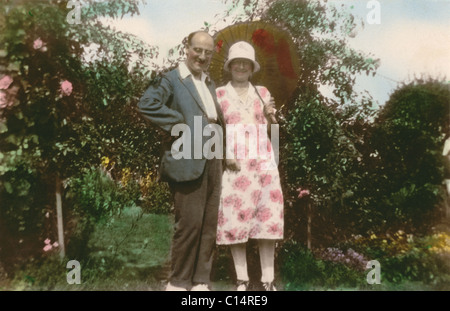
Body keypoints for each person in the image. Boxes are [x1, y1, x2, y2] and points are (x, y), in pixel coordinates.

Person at [137, 31, 226, 291]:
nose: (202, 56)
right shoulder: (171, 79)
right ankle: (177, 283)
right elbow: (147, 104)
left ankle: (200, 282)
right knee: (189, 224)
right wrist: (179, 123)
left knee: (209, 224)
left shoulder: (209, 83)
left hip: (213, 155)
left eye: (208, 52)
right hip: (187, 156)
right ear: (186, 48)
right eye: (197, 50)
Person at [215, 41, 284, 291]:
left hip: (263, 162)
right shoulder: (219, 94)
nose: (241, 66)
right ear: (230, 66)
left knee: (267, 219)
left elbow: (271, 131)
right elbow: (214, 130)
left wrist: (271, 116)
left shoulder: (262, 93)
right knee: (236, 218)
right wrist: (224, 154)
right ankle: (242, 280)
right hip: (235, 164)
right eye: (237, 62)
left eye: (246, 62)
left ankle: (268, 281)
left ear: (252, 67)